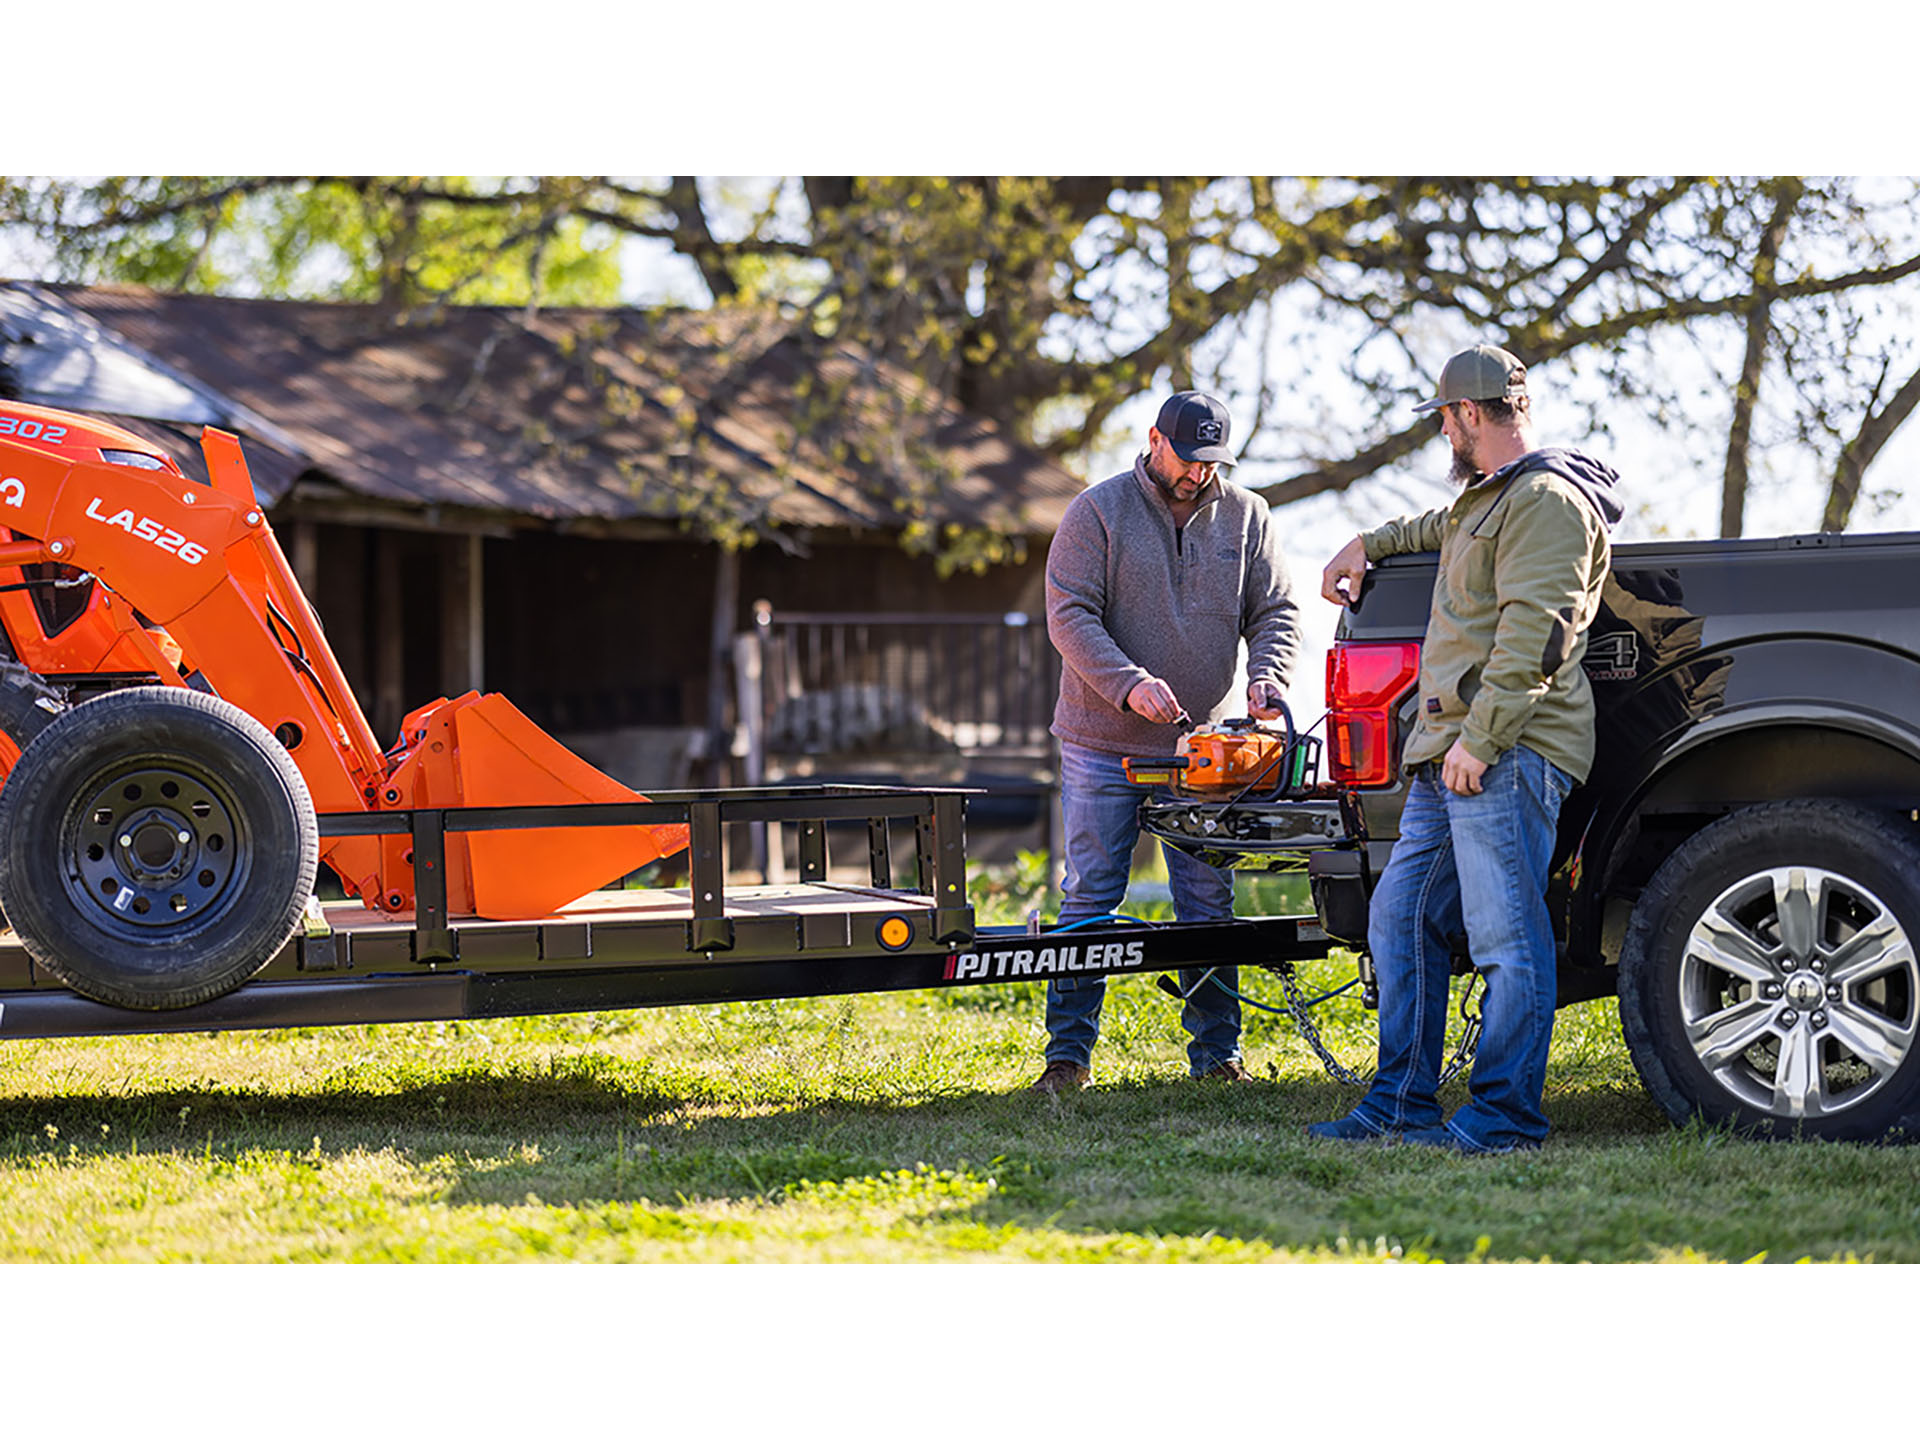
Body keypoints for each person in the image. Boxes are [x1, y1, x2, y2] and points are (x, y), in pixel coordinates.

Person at [1308, 344, 1622, 1152]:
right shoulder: (1490, 498)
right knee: (1400, 917)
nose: (1443, 432)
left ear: (1469, 415)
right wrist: (1366, 543)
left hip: (1503, 753)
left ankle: (1505, 1117)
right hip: (1448, 755)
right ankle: (1399, 1103)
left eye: (1445, 418)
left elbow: (1537, 634)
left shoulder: (1548, 500)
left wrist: (1481, 743)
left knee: (1505, 937)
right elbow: (1435, 526)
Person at [1031, 390, 1301, 1093]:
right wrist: (1126, 683)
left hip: (1201, 748)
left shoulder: (1249, 515)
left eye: (1213, 462)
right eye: (1187, 458)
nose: (1198, 474)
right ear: (1154, 440)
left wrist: (1268, 677)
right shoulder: (1096, 512)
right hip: (1102, 741)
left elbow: (1275, 610)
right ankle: (1068, 1058)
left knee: (1209, 901)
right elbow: (1069, 615)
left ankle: (1217, 1056)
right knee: (1091, 894)